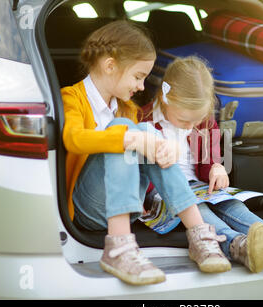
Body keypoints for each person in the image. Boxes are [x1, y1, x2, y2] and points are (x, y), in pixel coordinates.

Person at [61, 21, 231, 286]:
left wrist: (160, 146)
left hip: (128, 208)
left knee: (142, 132)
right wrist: (132, 138)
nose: (142, 86)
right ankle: (119, 249)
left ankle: (199, 235)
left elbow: (138, 139)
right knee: (131, 131)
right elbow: (74, 140)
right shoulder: (72, 97)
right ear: (110, 66)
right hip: (88, 207)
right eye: (138, 76)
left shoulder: (128, 108)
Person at [140, 56, 263, 276]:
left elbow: (212, 155)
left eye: (195, 122)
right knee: (199, 209)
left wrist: (216, 168)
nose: (190, 127)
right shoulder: (142, 120)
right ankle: (238, 246)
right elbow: (139, 173)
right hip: (161, 193)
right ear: (165, 97)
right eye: (183, 121)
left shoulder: (204, 120)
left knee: (232, 204)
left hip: (197, 186)